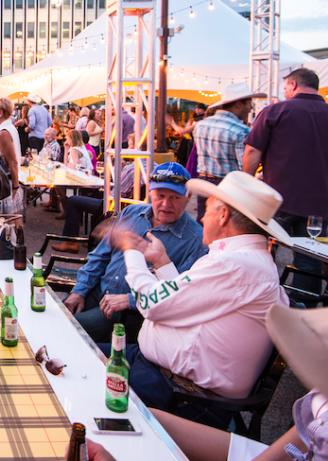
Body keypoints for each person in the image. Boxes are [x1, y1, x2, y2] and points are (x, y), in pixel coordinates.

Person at [116, 260, 328, 461]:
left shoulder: (235, 266)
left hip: (192, 390)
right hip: (181, 382)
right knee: (138, 419)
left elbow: (159, 305)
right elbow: (289, 446)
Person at [108, 171, 290, 429]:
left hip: (180, 395)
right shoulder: (247, 260)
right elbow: (184, 302)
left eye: (207, 209)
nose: (202, 216)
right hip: (167, 377)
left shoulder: (234, 264)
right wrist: (162, 262)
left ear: (223, 215)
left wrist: (132, 252)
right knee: (76, 352)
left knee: (74, 373)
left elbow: (150, 303)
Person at [62, 162, 208, 344]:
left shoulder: (196, 240)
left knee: (64, 331)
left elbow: (179, 294)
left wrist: (130, 300)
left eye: (175, 198)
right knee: (51, 316)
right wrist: (80, 290)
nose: (165, 204)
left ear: (189, 196)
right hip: (96, 289)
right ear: (150, 193)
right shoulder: (132, 212)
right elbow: (100, 256)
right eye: (160, 195)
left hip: (127, 312)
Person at [244, 68, 328, 291]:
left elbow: (252, 152)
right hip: (320, 201)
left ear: (294, 85)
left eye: (286, 87)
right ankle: (303, 306)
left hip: (277, 197)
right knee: (310, 257)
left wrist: (247, 184)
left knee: (260, 249)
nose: (285, 91)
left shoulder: (275, 111)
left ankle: (260, 297)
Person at [192, 82, 264, 219]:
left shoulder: (201, 125)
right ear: (238, 104)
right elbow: (245, 168)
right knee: (226, 227)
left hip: (203, 182)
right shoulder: (241, 130)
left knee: (204, 223)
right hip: (228, 185)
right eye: (249, 103)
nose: (251, 108)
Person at [0, 97, 21, 194]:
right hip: (7, 180)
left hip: (6, 181)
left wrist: (15, 187)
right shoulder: (7, 128)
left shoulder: (3, 132)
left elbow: (12, 162)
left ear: (0, 113)